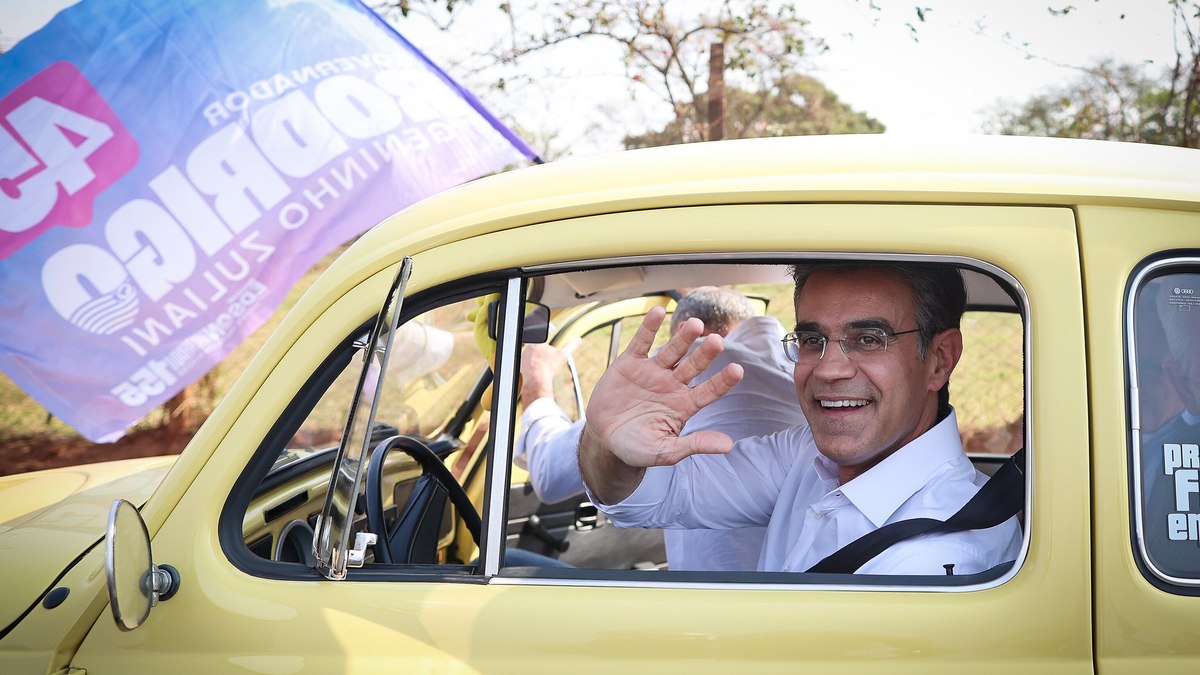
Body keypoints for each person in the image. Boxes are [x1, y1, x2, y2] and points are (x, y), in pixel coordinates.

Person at [578, 262, 1022, 575]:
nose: (828, 369)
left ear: (940, 360)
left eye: (868, 338)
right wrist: (608, 440)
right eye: (812, 339)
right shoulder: (805, 454)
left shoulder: (940, 559)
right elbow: (652, 498)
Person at [516, 286, 806, 571]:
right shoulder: (801, 372)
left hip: (706, 602)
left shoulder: (688, 373)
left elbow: (550, 475)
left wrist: (537, 381)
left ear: (684, 331)